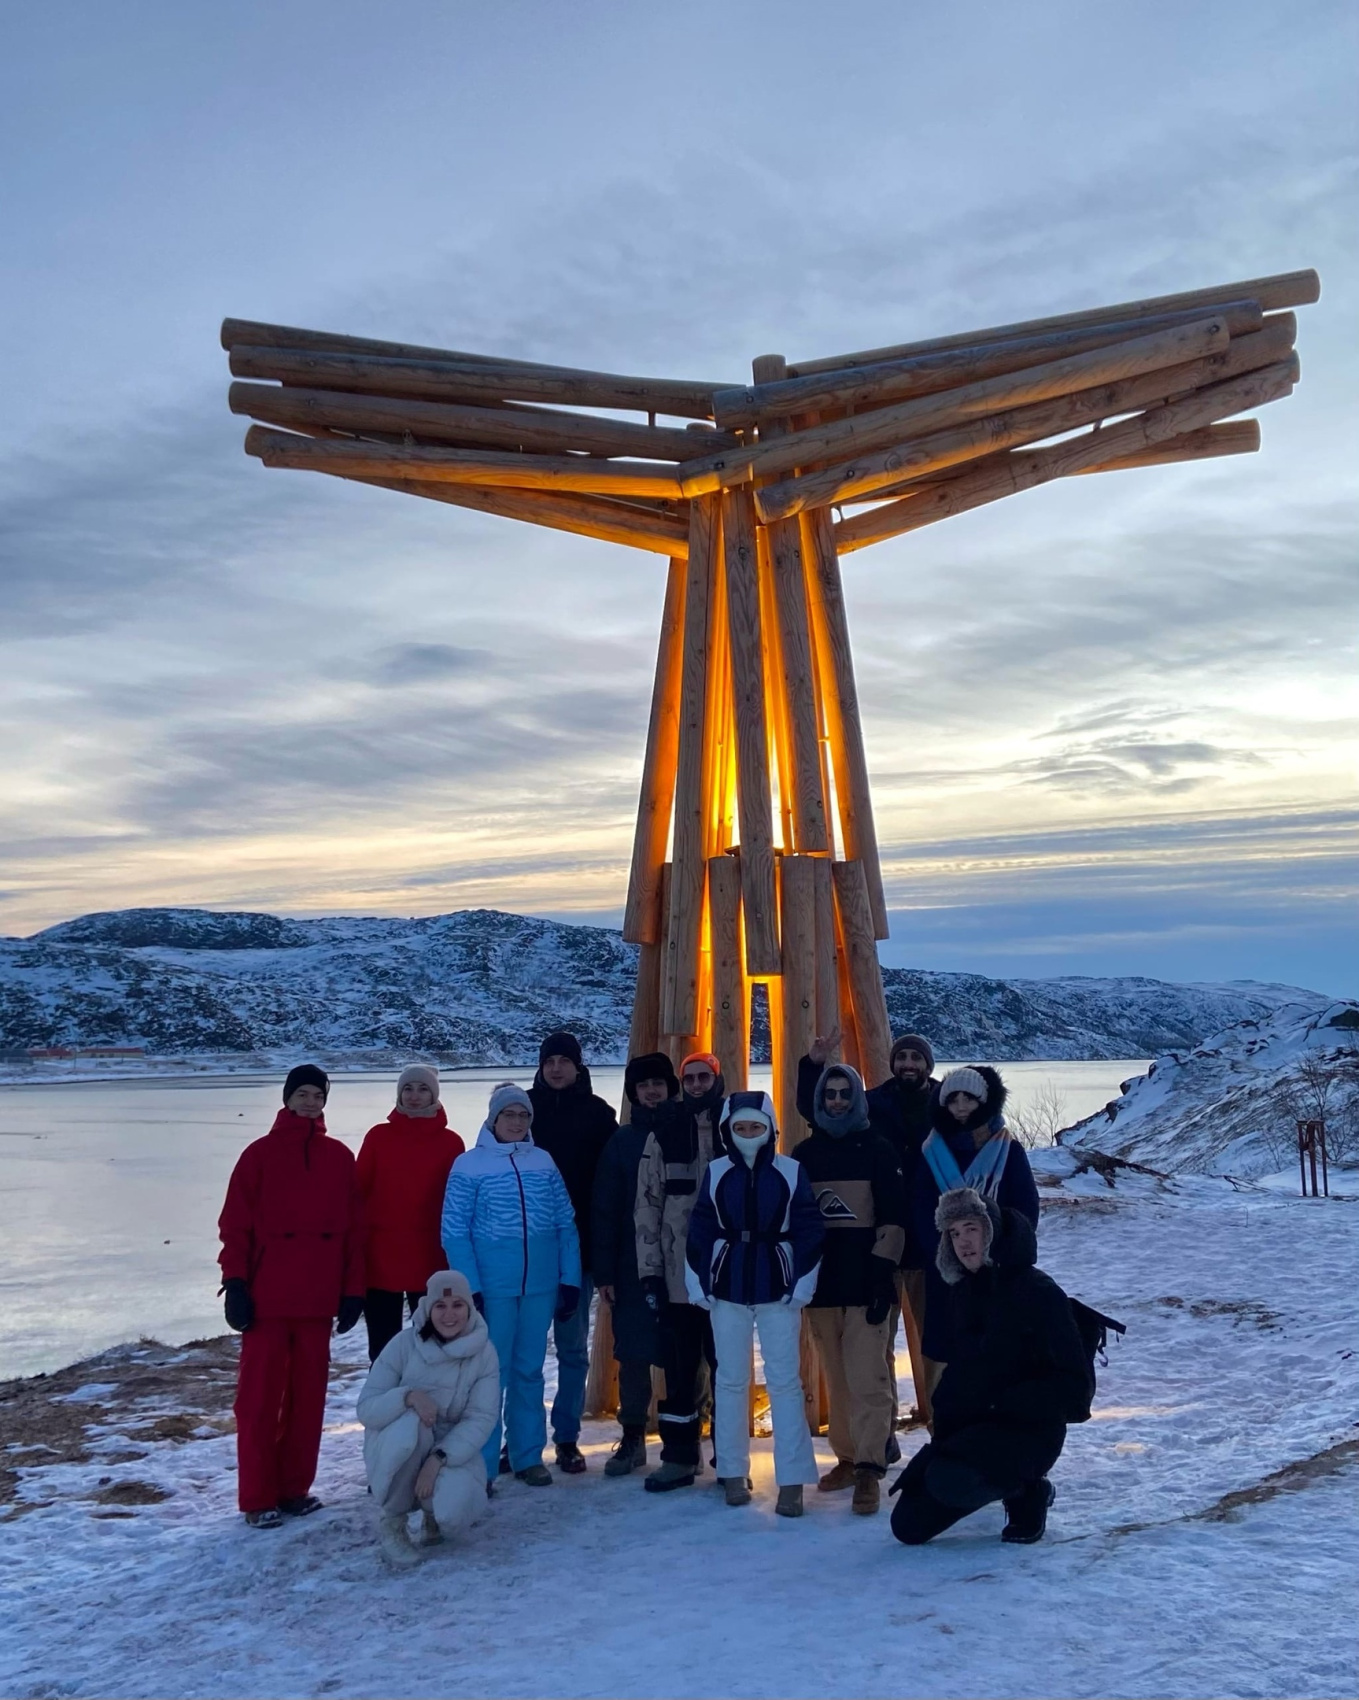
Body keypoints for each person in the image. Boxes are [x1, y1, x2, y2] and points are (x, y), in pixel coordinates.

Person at [889, 1187, 1092, 1545]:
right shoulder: (966, 1291)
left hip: (1030, 1432)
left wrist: (1002, 1402)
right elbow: (964, 1372)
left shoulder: (1038, 1291)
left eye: (971, 1228)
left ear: (992, 1229)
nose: (963, 1242)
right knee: (907, 1525)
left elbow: (1075, 1392)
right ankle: (984, 1474)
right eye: (953, 1233)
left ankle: (1027, 1492)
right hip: (979, 1430)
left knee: (952, 1482)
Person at [218, 1063, 365, 1528]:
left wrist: (352, 1291)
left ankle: (294, 1488)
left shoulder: (340, 1157)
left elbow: (354, 1232)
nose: (308, 1102)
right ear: (286, 1098)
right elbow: (234, 1226)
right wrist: (236, 1283)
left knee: (307, 1400)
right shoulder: (258, 1155)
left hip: (318, 1299)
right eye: (301, 1094)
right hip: (268, 1296)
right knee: (260, 1402)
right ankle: (257, 1497)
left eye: (316, 1095)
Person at [685, 1091, 825, 1518]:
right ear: (728, 1130)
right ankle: (731, 1471)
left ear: (770, 1129)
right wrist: (698, 1281)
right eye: (740, 1128)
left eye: (756, 1127)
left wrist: (803, 1281)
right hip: (728, 1285)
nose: (748, 1135)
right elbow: (701, 1228)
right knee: (729, 1380)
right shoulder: (716, 1171)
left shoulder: (790, 1171)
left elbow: (809, 1228)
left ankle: (793, 1479)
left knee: (784, 1382)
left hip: (778, 1286)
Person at [440, 1083, 581, 1487]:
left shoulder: (543, 1161)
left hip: (539, 1285)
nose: (516, 1122)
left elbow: (564, 1223)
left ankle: (527, 1455)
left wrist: (568, 1279)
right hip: (493, 1288)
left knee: (530, 1371)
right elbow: (454, 1231)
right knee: (489, 1377)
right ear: (493, 1119)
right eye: (509, 1115)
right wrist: (471, 1288)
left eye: (523, 1116)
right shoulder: (469, 1165)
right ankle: (480, 1466)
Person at [797, 1029, 938, 1426]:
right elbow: (819, 1112)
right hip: (882, 1243)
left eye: (916, 1057)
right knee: (878, 1346)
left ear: (928, 1064)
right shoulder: (873, 1103)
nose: (908, 1064)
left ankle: (944, 1427)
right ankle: (883, 1432)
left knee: (937, 1342)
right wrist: (813, 1066)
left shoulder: (945, 1102)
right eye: (902, 1057)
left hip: (929, 1241)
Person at [795, 1063, 906, 1516]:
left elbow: (894, 1218)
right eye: (830, 1094)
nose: (837, 1101)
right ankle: (845, 1456)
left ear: (857, 1099)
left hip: (866, 1285)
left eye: (844, 1093)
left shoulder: (878, 1150)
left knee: (869, 1378)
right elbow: (797, 1222)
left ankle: (869, 1467)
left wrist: (882, 1276)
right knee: (836, 1381)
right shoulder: (803, 1155)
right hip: (823, 1288)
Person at [911, 1066, 1040, 1407]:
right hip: (945, 1273)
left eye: (969, 1097)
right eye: (953, 1099)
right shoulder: (931, 1151)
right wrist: (946, 1255)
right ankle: (942, 1432)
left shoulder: (1008, 1149)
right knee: (943, 1353)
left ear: (985, 1100)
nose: (961, 1106)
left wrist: (1003, 1252)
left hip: (996, 1270)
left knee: (996, 1348)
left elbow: (1025, 1207)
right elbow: (922, 1209)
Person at [357, 1269, 500, 1568]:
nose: (449, 1315)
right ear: (427, 1308)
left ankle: (433, 1515)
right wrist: (407, 1396)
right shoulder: (403, 1344)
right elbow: (367, 1408)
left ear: (469, 1308)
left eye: (457, 1305)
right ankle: (394, 1523)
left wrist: (438, 1458)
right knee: (414, 1426)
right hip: (399, 1439)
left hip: (450, 1447)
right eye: (440, 1306)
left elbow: (481, 1418)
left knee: (455, 1512)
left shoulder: (484, 1353)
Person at [634, 1049, 727, 1491]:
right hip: (676, 1279)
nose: (694, 1086)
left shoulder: (739, 1127)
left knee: (727, 1370)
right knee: (678, 1370)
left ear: (715, 1079)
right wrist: (649, 1271)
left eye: (702, 1079)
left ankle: (730, 1457)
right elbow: (647, 1206)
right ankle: (678, 1456)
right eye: (687, 1079)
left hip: (727, 1279)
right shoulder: (665, 1131)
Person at [528, 1031, 619, 1474]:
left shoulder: (599, 1115)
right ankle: (521, 1439)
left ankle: (566, 1437)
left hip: (578, 1254)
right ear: (541, 1066)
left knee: (571, 1350)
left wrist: (604, 1257)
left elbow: (610, 1190)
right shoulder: (520, 1112)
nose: (558, 1068)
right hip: (527, 1253)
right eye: (551, 1062)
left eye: (566, 1061)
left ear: (578, 1066)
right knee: (522, 1354)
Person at [590, 1052, 676, 1476]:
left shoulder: (688, 1132)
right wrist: (604, 1272)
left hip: (681, 1261)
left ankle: (687, 1438)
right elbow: (604, 1209)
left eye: (658, 1083)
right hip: (631, 1263)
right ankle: (634, 1436)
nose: (652, 1091)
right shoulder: (622, 1141)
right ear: (634, 1094)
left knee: (684, 1352)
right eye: (644, 1086)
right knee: (634, 1352)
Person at [356, 1063, 466, 1362]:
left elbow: (459, 1202)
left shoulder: (451, 1142)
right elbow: (357, 1192)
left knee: (432, 1348)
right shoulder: (378, 1137)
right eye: (408, 1088)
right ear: (399, 1094)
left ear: (434, 1095)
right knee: (383, 1350)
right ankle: (383, 1408)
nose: (414, 1096)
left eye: (422, 1089)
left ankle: (431, 1408)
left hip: (430, 1258)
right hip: (381, 1258)